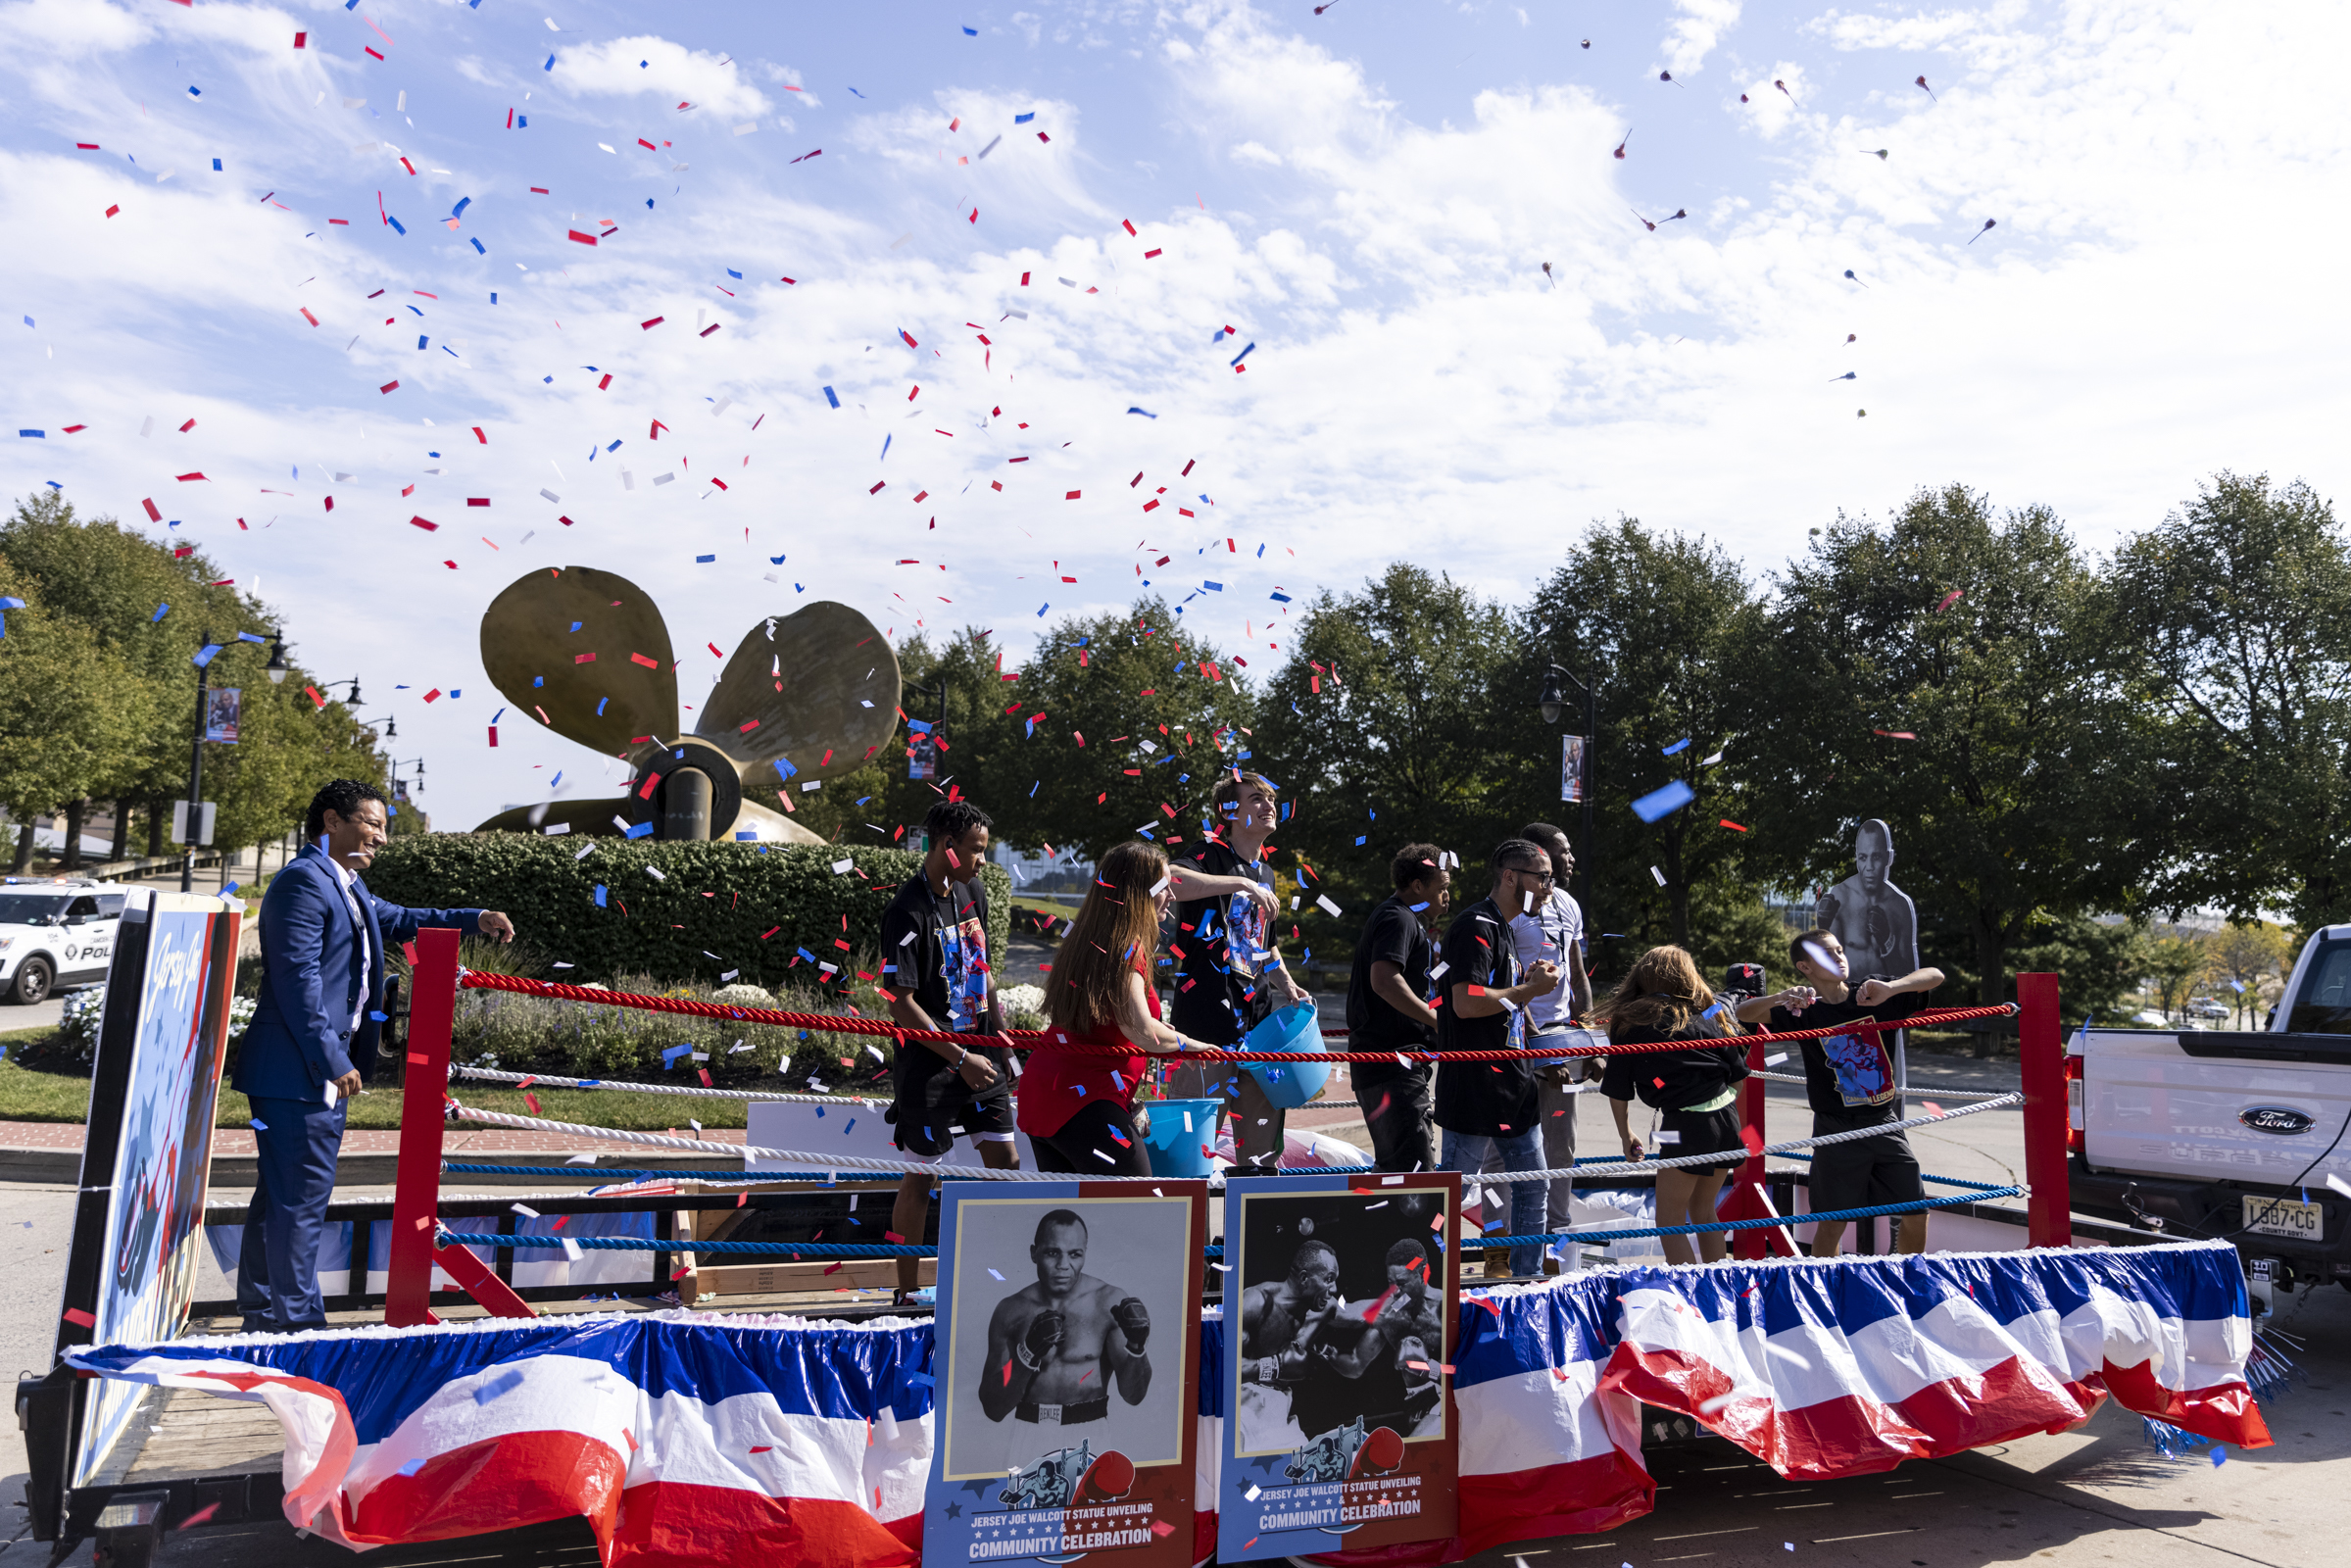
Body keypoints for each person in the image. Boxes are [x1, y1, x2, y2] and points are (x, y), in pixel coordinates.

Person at [235, 779, 513, 1332]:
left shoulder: (346, 883)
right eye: (373, 824)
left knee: (281, 1197)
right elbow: (297, 982)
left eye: (385, 827)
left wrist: (473, 917)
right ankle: (297, 1327)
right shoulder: (302, 883)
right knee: (301, 1202)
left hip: (302, 1069)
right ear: (332, 822)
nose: (382, 838)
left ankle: (263, 1310)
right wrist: (332, 1059)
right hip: (298, 1070)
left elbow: (403, 918)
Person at [1735, 929, 1944, 1255]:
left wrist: (1892, 988)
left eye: (1840, 950)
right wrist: (1781, 997)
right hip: (1836, 1127)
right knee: (1832, 1222)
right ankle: (1828, 1291)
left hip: (1883, 1121)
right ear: (1805, 968)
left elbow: (1935, 975)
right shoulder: (1802, 1010)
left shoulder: (1873, 992)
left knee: (1916, 1212)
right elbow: (1741, 1014)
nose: (1839, 957)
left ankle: (1908, 1281)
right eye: (1827, 954)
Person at [881, 799, 1015, 1299]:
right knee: (921, 1181)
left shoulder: (971, 890)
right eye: (977, 851)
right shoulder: (906, 910)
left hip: (982, 1057)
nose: (983, 861)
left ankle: (995, 1281)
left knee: (1006, 1164)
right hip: (933, 1065)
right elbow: (900, 1004)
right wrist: (959, 1058)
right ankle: (907, 1292)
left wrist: (1004, 1047)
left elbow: (983, 973)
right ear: (947, 846)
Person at [1019, 841, 1213, 1174]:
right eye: (1164, 886)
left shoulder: (1092, 939)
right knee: (1134, 1208)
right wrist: (1196, 1047)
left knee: (1078, 1215)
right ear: (1140, 891)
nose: (1171, 895)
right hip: (1082, 1101)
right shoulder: (1126, 949)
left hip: (1047, 1095)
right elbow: (1142, 1032)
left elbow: (1117, 1026)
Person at [1164, 771, 1312, 1171]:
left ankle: (1250, 1231)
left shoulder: (1266, 873)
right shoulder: (1209, 853)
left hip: (1258, 1031)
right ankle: (1188, 1232)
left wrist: (1288, 984)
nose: (1268, 806)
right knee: (1189, 1150)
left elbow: (1264, 944)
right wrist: (1239, 885)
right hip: (1203, 1026)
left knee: (1261, 1155)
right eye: (1256, 799)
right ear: (1229, 812)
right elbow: (1170, 880)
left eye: (1269, 798)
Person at [1433, 841, 1561, 1278]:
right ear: (1510, 876)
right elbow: (1466, 1003)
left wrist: (1547, 1049)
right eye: (1541, 877)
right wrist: (1530, 991)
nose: (1549, 887)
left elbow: (1507, 1009)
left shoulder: (1505, 927)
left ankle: (1527, 1281)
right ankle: (1429, 1284)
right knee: (1450, 1194)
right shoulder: (1476, 925)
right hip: (1473, 1084)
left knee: (1534, 1186)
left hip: (1513, 1084)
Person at [1598, 946, 1750, 1266]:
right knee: (1704, 1211)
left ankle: (1686, 1293)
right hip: (1727, 1119)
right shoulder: (1710, 1013)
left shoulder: (1630, 1019)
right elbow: (1738, 1075)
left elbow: (1618, 1088)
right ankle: (1717, 1287)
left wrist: (1626, 1135)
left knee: (1668, 1218)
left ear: (1643, 975)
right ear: (1687, 975)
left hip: (1686, 1124)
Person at [1509, 822, 1597, 1250]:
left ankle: (1555, 1245)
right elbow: (1499, 979)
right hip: (1518, 1044)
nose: (1571, 858)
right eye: (1564, 851)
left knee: (1561, 1145)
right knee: (1507, 1147)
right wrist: (1533, 1042)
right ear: (1540, 853)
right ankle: (1503, 1251)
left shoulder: (1568, 904)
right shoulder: (1506, 909)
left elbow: (1577, 973)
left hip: (1563, 1040)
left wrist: (1591, 1038)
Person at [979, 1209, 1153, 1427]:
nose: (1063, 1265)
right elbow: (993, 1408)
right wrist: (1027, 1354)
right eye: (1053, 1253)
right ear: (1034, 1253)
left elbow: (1133, 1396)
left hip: (1091, 1427)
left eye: (1074, 1254)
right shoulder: (1011, 1310)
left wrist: (1137, 1346)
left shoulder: (1108, 1302)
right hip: (1029, 1430)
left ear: (1084, 1254)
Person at [1344, 844, 1448, 1173]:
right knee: (1411, 1176)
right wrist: (1436, 1021)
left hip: (1392, 1065)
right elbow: (1385, 981)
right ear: (1418, 886)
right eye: (1442, 887)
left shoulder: (1403, 918)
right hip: (1390, 1064)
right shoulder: (1397, 917)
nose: (1448, 896)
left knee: (1399, 1172)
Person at [1815, 819, 1920, 981]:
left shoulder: (1900, 905)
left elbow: (1911, 977)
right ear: (1856, 857)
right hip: (1849, 1000)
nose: (1869, 866)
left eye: (1876, 856)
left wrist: (1888, 943)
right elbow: (1825, 970)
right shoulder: (1841, 896)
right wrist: (1822, 928)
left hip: (1888, 1000)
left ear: (1889, 857)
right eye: (1863, 858)